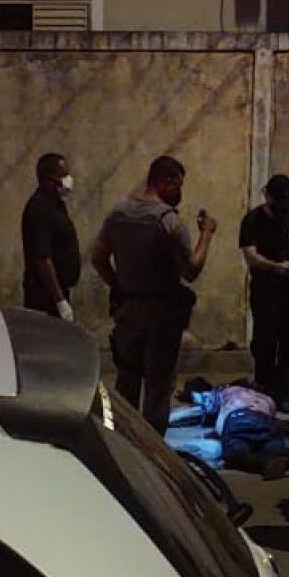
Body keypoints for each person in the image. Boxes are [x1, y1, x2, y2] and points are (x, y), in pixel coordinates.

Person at [89, 156, 218, 432]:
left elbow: (98, 257)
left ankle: (122, 443)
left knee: (126, 384)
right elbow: (191, 271)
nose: (180, 192)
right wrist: (206, 234)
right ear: (166, 182)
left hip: (127, 311)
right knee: (158, 390)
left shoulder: (118, 213)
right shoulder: (168, 221)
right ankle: (153, 448)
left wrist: (119, 286)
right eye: (178, 185)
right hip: (161, 316)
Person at [239, 174, 289, 412]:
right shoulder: (253, 219)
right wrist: (275, 267)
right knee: (265, 343)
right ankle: (264, 392)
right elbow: (251, 254)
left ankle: (285, 392)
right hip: (266, 292)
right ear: (268, 197)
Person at [21, 153, 81, 320]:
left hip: (59, 291)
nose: (68, 180)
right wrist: (59, 301)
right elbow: (43, 258)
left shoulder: (56, 205)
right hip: (45, 297)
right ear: (49, 179)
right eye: (64, 175)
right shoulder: (39, 208)